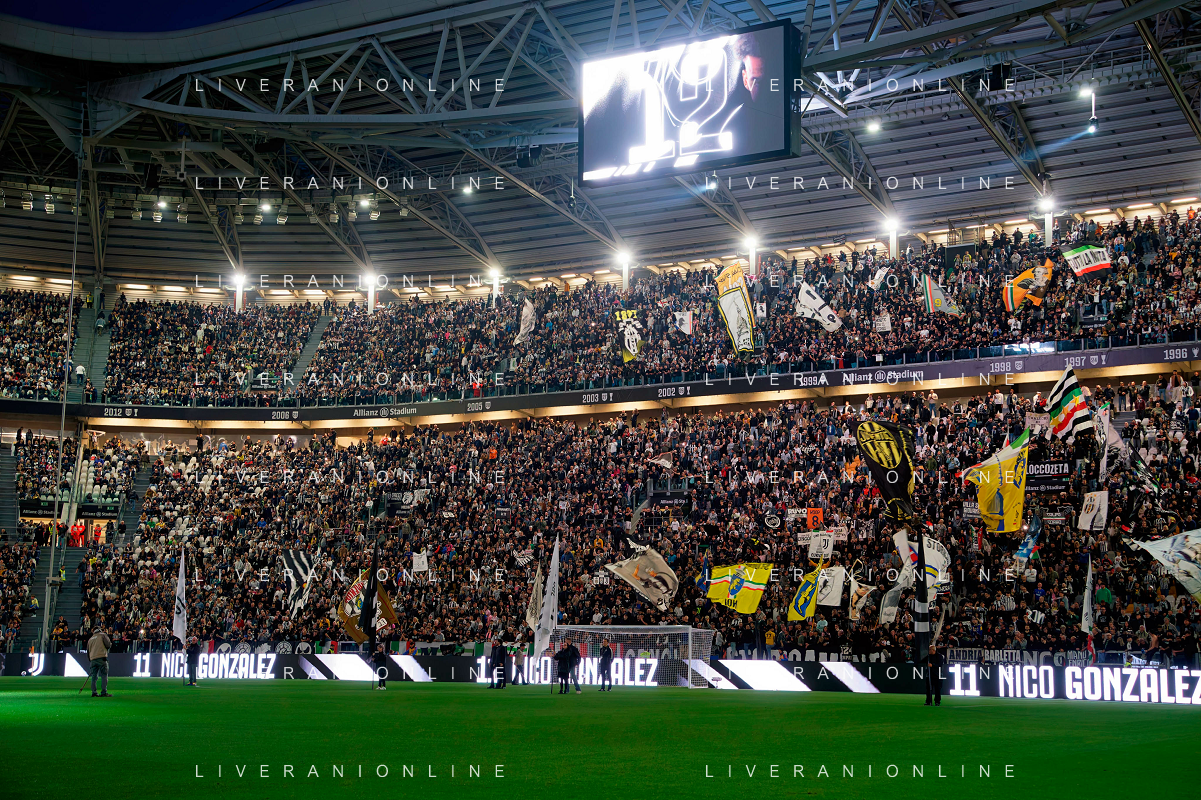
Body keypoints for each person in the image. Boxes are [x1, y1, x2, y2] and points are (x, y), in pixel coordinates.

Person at [87, 625, 112, 698]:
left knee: (94, 677)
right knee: (104, 675)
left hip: (93, 659)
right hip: (101, 657)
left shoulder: (90, 639)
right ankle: (103, 692)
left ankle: (94, 692)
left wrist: (91, 659)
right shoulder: (103, 635)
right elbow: (108, 645)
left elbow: (88, 651)